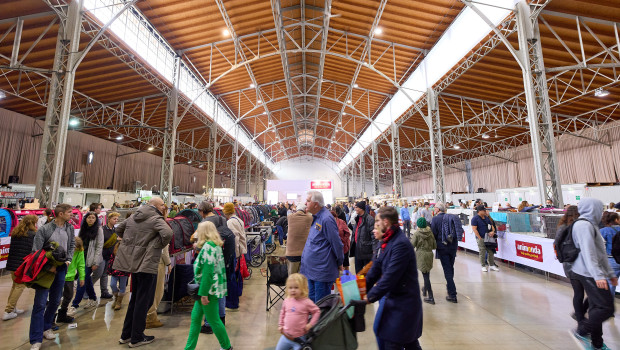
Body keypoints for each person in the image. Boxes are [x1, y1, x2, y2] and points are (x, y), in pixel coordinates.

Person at [114, 197, 173, 347]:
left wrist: (131, 243)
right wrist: (155, 245)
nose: (163, 207)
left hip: (133, 261)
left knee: (135, 300)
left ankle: (126, 335)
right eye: (162, 205)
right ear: (155, 206)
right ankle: (137, 337)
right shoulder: (155, 218)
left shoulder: (134, 216)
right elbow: (168, 233)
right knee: (143, 301)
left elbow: (119, 229)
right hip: (147, 263)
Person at [366, 207, 423, 350]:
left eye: (378, 221)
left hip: (404, 304)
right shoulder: (385, 242)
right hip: (395, 301)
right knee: (409, 343)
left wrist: (369, 297)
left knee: (393, 342)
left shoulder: (400, 244)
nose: (376, 225)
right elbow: (375, 269)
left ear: (386, 222)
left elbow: (390, 277)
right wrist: (359, 289)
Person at [569, 198, 617, 350]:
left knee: (597, 307)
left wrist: (609, 273)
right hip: (587, 273)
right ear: (592, 208)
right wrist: (598, 275)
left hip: (593, 272)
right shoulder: (583, 225)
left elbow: (601, 253)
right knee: (605, 308)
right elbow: (588, 253)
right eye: (599, 208)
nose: (601, 211)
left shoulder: (591, 225)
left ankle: (597, 343)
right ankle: (582, 331)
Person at [29, 203, 75, 350]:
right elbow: (35, 251)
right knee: (40, 304)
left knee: (55, 301)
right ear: (60, 214)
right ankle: (35, 339)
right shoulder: (45, 229)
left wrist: (68, 259)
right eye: (69, 212)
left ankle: (46, 326)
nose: (72, 214)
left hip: (61, 269)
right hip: (45, 271)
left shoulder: (70, 228)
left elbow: (72, 244)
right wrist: (49, 267)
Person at [184, 221, 232, 350]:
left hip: (208, 290)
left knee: (214, 320)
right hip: (207, 289)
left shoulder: (208, 248)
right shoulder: (214, 245)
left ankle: (226, 346)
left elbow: (207, 273)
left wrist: (204, 294)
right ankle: (189, 348)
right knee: (195, 319)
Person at [196, 201, 235, 333]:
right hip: (222, 258)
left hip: (211, 259)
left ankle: (209, 323)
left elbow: (198, 240)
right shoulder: (222, 218)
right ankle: (221, 319)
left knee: (209, 293)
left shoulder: (204, 223)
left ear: (202, 211)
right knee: (221, 291)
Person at [300, 191, 344, 303]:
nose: (305, 203)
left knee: (321, 307)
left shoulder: (326, 219)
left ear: (316, 204)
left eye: (308, 201)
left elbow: (337, 244)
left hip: (321, 272)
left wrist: (340, 262)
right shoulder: (317, 218)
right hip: (312, 271)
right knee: (313, 305)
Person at [3, 215, 37, 321]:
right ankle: (8, 310)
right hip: (22, 265)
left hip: (12, 264)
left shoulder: (15, 233)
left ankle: (12, 308)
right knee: (19, 287)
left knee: (15, 286)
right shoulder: (32, 235)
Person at [69, 211, 104, 313]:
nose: (91, 219)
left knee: (82, 280)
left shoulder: (99, 230)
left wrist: (95, 262)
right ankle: (93, 298)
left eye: (93, 218)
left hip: (90, 260)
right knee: (87, 279)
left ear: (96, 219)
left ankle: (74, 305)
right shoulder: (83, 229)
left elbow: (99, 247)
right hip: (81, 258)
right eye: (89, 218)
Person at [558, 206, 588, 322]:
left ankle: (579, 315)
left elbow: (557, 244)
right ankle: (580, 315)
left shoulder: (562, 227)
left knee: (578, 291)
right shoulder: (578, 226)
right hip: (577, 262)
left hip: (568, 262)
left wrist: (562, 259)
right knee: (586, 291)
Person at [275, 273, 321, 350]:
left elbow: (317, 311)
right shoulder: (287, 301)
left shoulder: (306, 302)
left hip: (300, 338)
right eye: (290, 288)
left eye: (296, 287)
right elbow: (282, 313)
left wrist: (310, 324)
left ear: (302, 288)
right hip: (285, 337)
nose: (293, 290)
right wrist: (280, 325)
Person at [430, 202, 463, 303]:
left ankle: (452, 294)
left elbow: (433, 234)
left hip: (442, 247)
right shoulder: (452, 217)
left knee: (447, 270)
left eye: (435, 207)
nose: (434, 209)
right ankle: (450, 288)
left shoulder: (435, 219)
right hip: (453, 246)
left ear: (438, 209)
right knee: (450, 267)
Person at [56, 237, 86, 323]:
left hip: (70, 277)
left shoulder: (80, 251)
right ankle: (51, 320)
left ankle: (62, 315)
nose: (75, 250)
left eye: (77, 249)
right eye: (74, 248)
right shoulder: (63, 249)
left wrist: (82, 277)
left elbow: (81, 264)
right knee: (56, 298)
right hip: (60, 276)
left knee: (69, 296)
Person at [411, 217, 436, 305]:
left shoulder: (417, 234)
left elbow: (412, 245)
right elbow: (434, 246)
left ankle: (431, 297)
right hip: (429, 254)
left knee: (426, 276)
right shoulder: (430, 233)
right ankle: (425, 290)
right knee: (426, 273)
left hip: (421, 255)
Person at [145, 244, 171, 329]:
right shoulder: (162, 231)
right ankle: (150, 319)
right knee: (157, 291)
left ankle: (148, 317)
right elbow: (164, 251)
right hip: (157, 263)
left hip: (144, 262)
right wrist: (169, 263)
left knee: (147, 291)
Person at [285, 203, 313, 275]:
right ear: (305, 211)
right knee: (303, 278)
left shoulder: (290, 217)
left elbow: (291, 212)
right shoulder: (309, 218)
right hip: (305, 252)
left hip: (291, 253)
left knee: (292, 278)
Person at [98, 211, 120, 300]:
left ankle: (104, 292)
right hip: (101, 255)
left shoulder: (115, 230)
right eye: (114, 219)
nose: (116, 220)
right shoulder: (102, 230)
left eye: (117, 219)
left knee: (105, 274)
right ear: (109, 219)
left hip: (110, 256)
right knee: (98, 274)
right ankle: (86, 289)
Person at [471, 205, 498, 272]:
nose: (485, 211)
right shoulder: (475, 219)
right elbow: (474, 229)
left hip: (488, 238)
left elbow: (492, 226)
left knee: (491, 251)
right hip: (481, 238)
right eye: (483, 210)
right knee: (482, 251)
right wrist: (479, 238)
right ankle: (483, 265)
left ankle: (491, 265)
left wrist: (492, 231)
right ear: (479, 211)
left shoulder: (486, 218)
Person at [352, 201, 377, 274]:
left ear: (361, 208)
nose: (355, 208)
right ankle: (359, 285)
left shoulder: (369, 219)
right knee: (358, 272)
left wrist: (374, 250)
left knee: (367, 273)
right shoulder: (357, 218)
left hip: (367, 251)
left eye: (357, 207)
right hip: (358, 249)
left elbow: (373, 236)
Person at [600, 211, 620, 295]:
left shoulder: (603, 231)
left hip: (611, 260)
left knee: (610, 285)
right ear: (616, 219)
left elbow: (600, 247)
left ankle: (609, 306)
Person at [108, 239, 130, 311]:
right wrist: (109, 270)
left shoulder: (127, 254)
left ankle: (119, 302)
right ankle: (116, 298)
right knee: (112, 285)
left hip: (124, 272)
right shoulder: (114, 253)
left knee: (122, 287)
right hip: (115, 271)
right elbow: (111, 261)